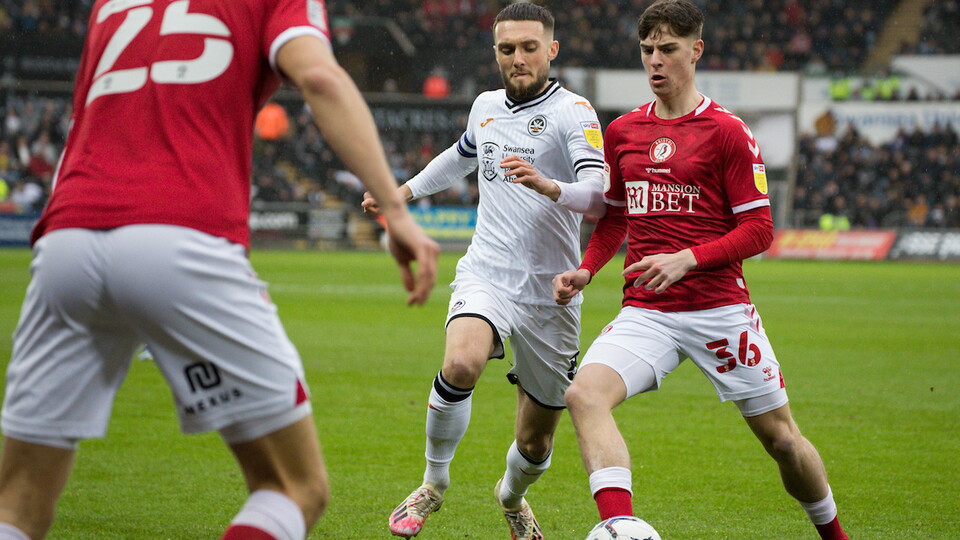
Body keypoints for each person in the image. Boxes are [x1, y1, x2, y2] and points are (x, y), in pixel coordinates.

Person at [0, 0, 439, 539]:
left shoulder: (111, 5)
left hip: (66, 239)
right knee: (293, 487)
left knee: (17, 502)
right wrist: (395, 211)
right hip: (181, 234)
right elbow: (320, 78)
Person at [552, 2, 849, 539]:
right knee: (584, 395)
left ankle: (834, 535)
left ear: (697, 50)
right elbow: (617, 215)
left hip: (721, 311)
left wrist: (688, 257)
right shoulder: (622, 131)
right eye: (647, 51)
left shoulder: (728, 132)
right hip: (648, 312)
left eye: (668, 49)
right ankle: (620, 527)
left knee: (782, 440)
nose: (656, 61)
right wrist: (587, 269)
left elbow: (760, 232)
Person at [362, 3, 606, 538]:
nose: (517, 58)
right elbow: (459, 156)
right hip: (488, 273)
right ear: (495, 52)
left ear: (552, 50)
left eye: (528, 47)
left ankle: (511, 497)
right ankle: (433, 484)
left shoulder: (575, 112)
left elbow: (598, 193)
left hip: (553, 294)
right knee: (462, 362)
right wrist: (398, 193)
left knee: (537, 443)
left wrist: (548, 185)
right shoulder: (485, 106)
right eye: (506, 48)